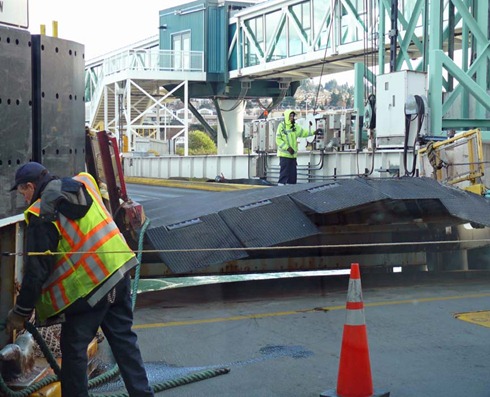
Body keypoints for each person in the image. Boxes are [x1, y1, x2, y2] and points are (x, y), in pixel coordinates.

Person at [6, 162, 154, 397]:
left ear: (31, 186)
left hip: (90, 289)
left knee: (73, 352)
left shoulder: (41, 214)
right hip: (119, 272)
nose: (24, 198)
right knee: (125, 342)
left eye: (23, 191)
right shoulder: (85, 182)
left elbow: (37, 271)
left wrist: (21, 312)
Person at [276, 110, 316, 185]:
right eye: (290, 116)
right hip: (284, 155)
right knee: (284, 175)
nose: (292, 117)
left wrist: (313, 132)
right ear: (287, 116)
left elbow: (303, 132)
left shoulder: (295, 127)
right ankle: (280, 189)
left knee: (292, 175)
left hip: (292, 155)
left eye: (292, 116)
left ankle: (291, 189)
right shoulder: (281, 126)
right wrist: (287, 148)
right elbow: (278, 140)